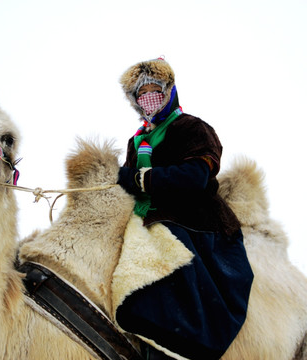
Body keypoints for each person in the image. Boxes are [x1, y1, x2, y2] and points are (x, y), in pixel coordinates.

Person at [116, 57, 254, 360]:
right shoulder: (136, 140)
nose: (148, 98)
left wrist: (142, 178)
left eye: (155, 90)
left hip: (196, 219)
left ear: (169, 92)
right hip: (146, 217)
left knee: (168, 281)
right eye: (142, 94)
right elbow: (130, 185)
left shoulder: (194, 129)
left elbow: (195, 177)